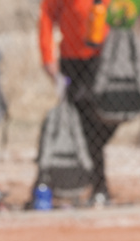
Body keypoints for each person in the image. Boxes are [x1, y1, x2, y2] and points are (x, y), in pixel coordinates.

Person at [38, 0, 120, 206]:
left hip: (105, 60)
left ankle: (95, 181)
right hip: (73, 62)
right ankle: (98, 187)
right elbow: (46, 17)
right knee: (82, 125)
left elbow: (128, 11)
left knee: (101, 124)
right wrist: (49, 58)